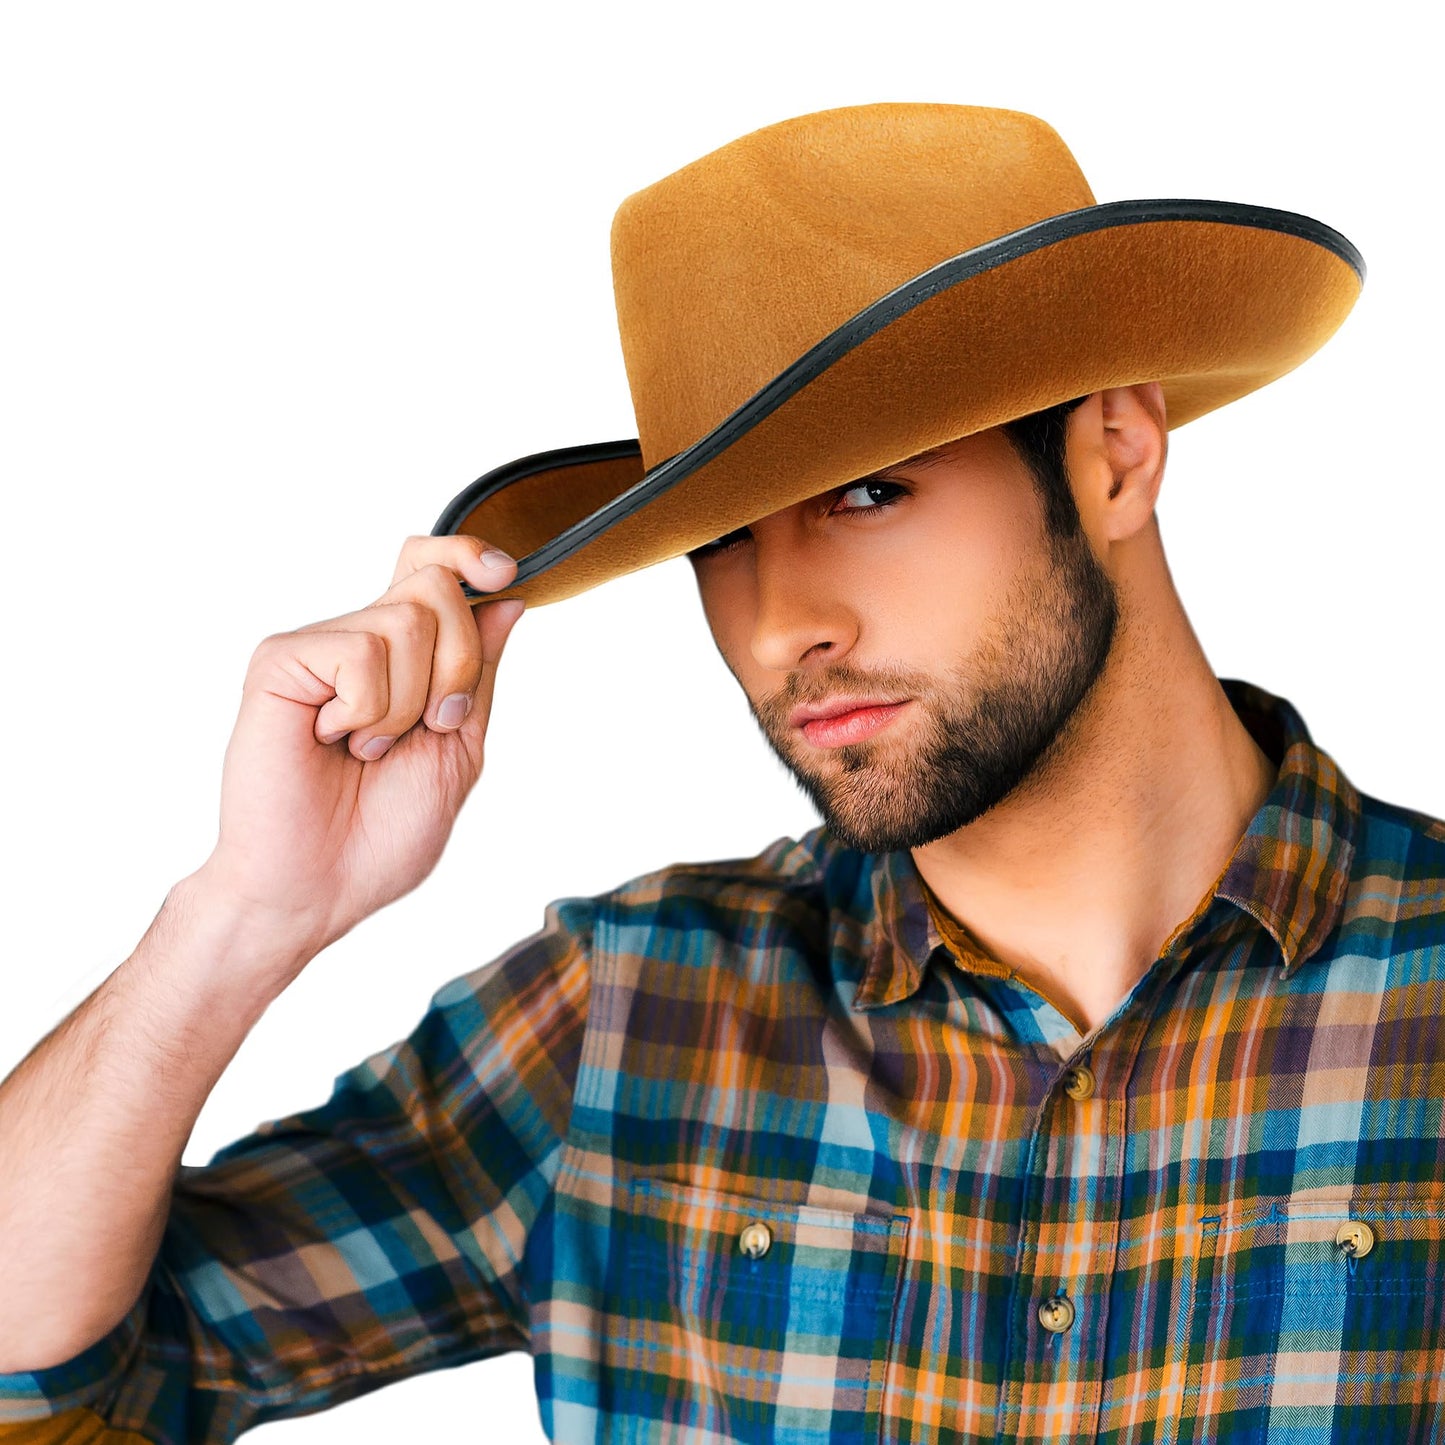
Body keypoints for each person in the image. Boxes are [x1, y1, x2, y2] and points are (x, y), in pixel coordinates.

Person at [1, 101, 1440, 1445]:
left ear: (1112, 454)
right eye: (721, 542)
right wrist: (243, 911)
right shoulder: (626, 1015)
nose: (774, 624)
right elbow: (53, 1374)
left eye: (869, 490)